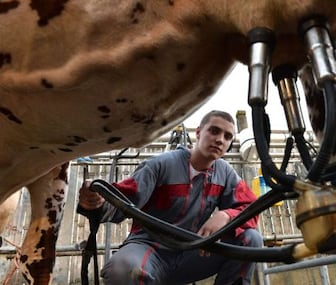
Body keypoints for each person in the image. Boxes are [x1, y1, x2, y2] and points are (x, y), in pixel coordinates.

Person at [77, 110, 263, 285]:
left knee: (251, 240)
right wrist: (97, 200)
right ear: (198, 132)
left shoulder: (225, 173)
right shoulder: (160, 165)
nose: (220, 140)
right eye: (214, 131)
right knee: (123, 269)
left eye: (227, 136)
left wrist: (226, 216)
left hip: (193, 252)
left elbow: (251, 208)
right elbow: (124, 198)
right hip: (150, 250)